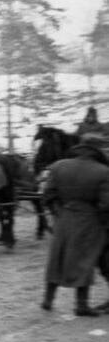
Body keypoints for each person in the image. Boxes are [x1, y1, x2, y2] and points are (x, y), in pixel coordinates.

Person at [41, 133, 109, 316]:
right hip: (89, 220)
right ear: (97, 150)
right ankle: (81, 305)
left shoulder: (59, 166)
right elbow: (106, 205)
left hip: (64, 218)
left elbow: (48, 195)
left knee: (57, 258)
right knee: (85, 260)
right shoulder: (103, 171)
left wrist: (58, 213)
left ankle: (48, 299)